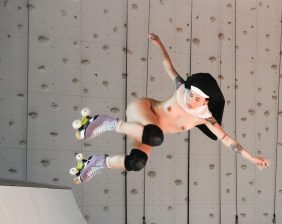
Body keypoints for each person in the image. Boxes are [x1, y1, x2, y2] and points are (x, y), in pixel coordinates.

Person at [72, 33, 269, 183]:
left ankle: (96, 162)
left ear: (206, 101)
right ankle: (105, 123)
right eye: (191, 95)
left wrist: (252, 158)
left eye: (197, 99)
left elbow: (228, 141)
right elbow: (169, 66)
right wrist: (160, 44)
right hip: (142, 110)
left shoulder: (206, 118)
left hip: (145, 132)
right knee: (155, 136)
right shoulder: (182, 89)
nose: (190, 100)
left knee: (137, 163)